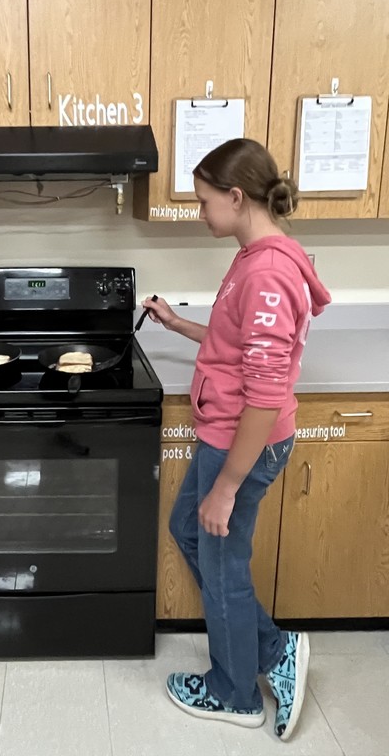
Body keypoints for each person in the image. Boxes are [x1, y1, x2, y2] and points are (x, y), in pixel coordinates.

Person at [142, 138, 330, 742]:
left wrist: (226, 487)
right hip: (224, 436)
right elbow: (234, 345)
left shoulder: (271, 271)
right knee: (188, 531)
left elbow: (266, 392)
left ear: (236, 196)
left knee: (222, 566)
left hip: (242, 446)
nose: (200, 212)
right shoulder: (253, 257)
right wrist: (177, 323)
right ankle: (273, 646)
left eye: (203, 202)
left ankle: (235, 693)